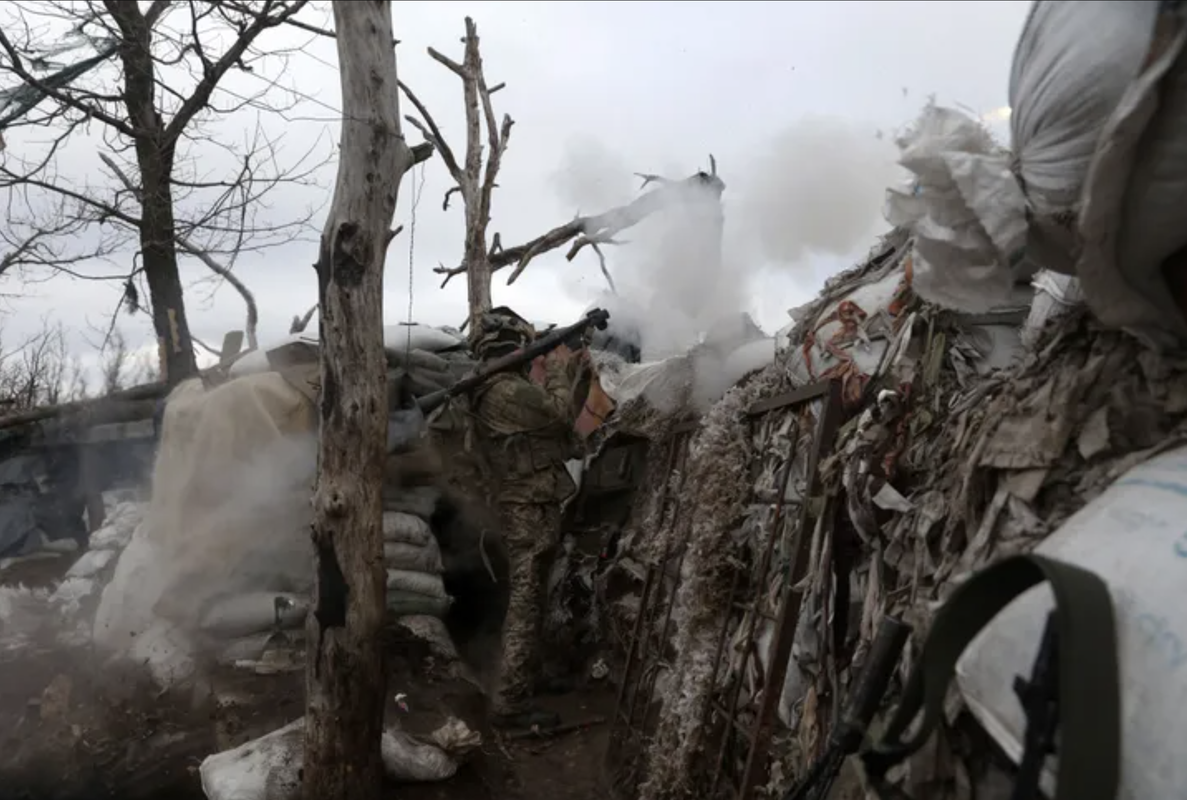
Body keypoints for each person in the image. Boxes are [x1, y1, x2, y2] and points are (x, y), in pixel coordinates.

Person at [469, 306, 581, 730]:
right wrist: (554, 365)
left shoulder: (496, 387)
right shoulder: (503, 390)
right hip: (526, 506)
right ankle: (511, 701)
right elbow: (558, 413)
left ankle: (524, 678)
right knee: (526, 600)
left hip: (529, 502)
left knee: (532, 596)